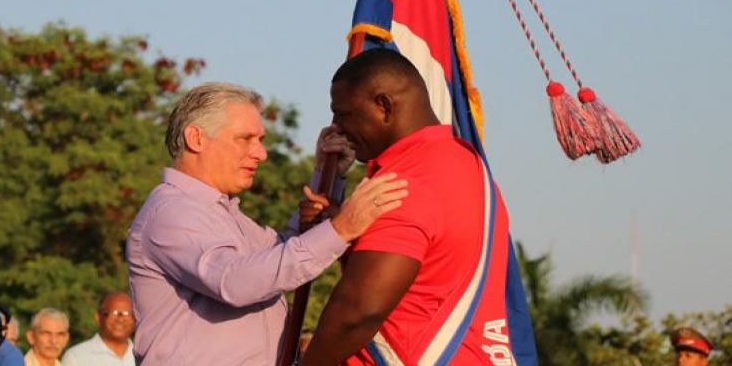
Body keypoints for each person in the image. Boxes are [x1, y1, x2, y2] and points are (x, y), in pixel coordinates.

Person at [126, 82, 408, 365]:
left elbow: (280, 258)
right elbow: (235, 282)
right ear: (196, 138)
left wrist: (328, 176)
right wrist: (342, 228)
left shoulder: (221, 212)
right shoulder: (172, 212)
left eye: (259, 140)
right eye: (245, 138)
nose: (260, 153)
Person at [301, 48, 536, 365]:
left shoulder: (404, 184)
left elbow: (359, 312)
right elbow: (431, 271)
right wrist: (338, 227)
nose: (338, 127)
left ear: (383, 106)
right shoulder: (468, 166)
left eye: (343, 114)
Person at [61, 292, 135, 366]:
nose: (120, 319)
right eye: (113, 313)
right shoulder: (76, 357)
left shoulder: (143, 354)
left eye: (127, 314)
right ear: (98, 317)